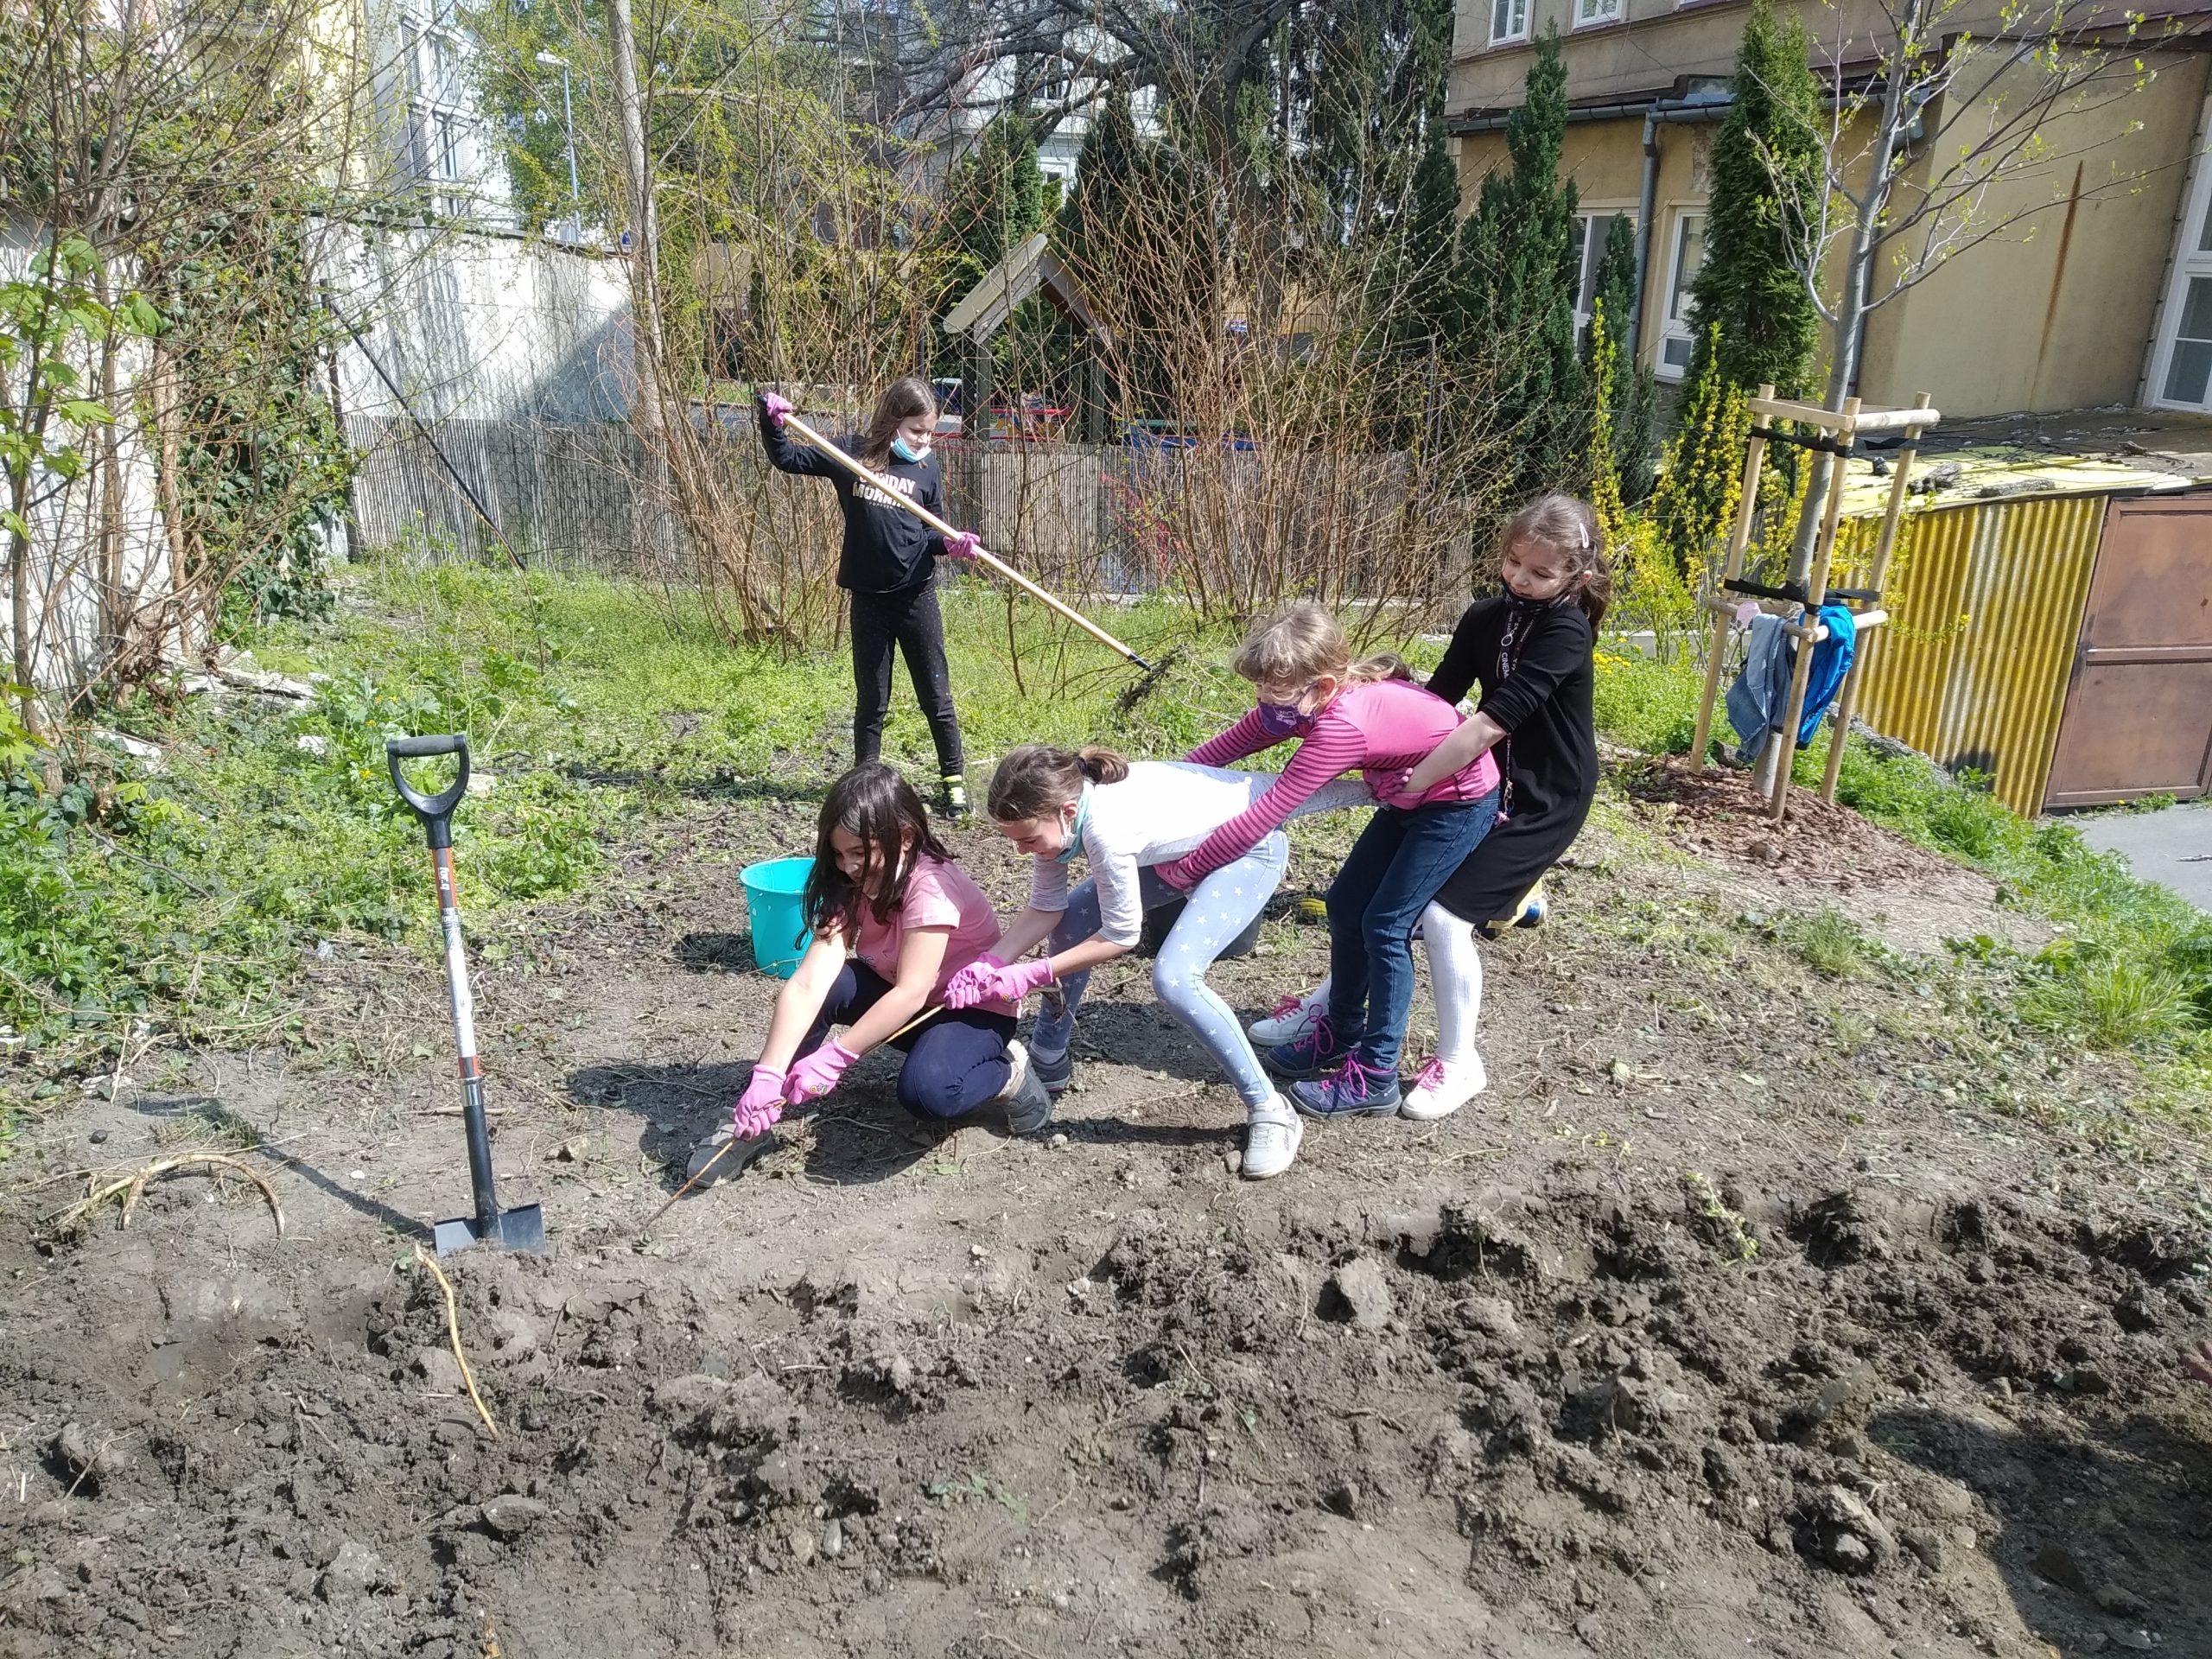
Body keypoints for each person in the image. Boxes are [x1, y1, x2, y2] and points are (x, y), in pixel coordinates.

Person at [1249, 493, 1608, 1122]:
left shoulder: (1566, 632)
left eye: (1541, 573)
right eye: (1513, 563)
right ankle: (1336, 1021)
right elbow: (1439, 701)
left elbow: (1488, 725)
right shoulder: (1486, 615)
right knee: (1356, 902)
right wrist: (1375, 725)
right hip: (1464, 776)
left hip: (1542, 795)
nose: (1521, 579)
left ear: (1575, 575)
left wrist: (1414, 781)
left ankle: (1458, 1062)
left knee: (1439, 919)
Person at [945, 745, 1370, 1180]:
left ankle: (1270, 1108)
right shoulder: (1060, 820)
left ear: (1067, 812)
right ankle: (1048, 1057)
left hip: (1248, 851)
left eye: (1028, 840)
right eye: (1014, 840)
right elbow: (1046, 908)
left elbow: (1121, 934)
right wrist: (991, 962)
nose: (1021, 851)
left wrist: (1035, 972)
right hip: (1178, 858)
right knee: (1072, 923)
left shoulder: (1105, 830)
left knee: (1175, 979)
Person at [1155, 602, 1502, 1120]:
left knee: (1386, 925)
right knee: (1344, 905)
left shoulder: (1340, 727)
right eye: (1259, 688)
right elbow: (1221, 749)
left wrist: (1185, 868)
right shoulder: (1301, 701)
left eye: (1275, 691)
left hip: (1458, 804)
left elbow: (1268, 813)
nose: (1263, 701)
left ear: (1322, 685)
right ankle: (1340, 1030)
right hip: (1409, 799)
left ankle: (1377, 1074)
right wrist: (1148, 784)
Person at [730, 764, 1050, 1140]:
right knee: (832, 985)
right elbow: (809, 981)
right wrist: (767, 1072)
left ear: (906, 837)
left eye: (858, 852)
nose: (848, 866)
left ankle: (1007, 1072)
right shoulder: (849, 879)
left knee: (928, 1094)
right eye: (837, 853)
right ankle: (763, 1108)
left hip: (968, 1011)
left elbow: (912, 991)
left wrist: (838, 1056)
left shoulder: (930, 887)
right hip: (905, 999)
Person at [759, 379, 982, 817]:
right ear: (893, 420)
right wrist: (771, 422)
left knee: (936, 696)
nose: (925, 440)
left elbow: (932, 531)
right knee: (872, 701)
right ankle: (865, 787)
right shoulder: (852, 454)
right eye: (916, 430)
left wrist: (950, 543)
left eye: (930, 432)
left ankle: (954, 783)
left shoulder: (927, 467)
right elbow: (788, 458)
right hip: (869, 600)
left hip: (916, 597)